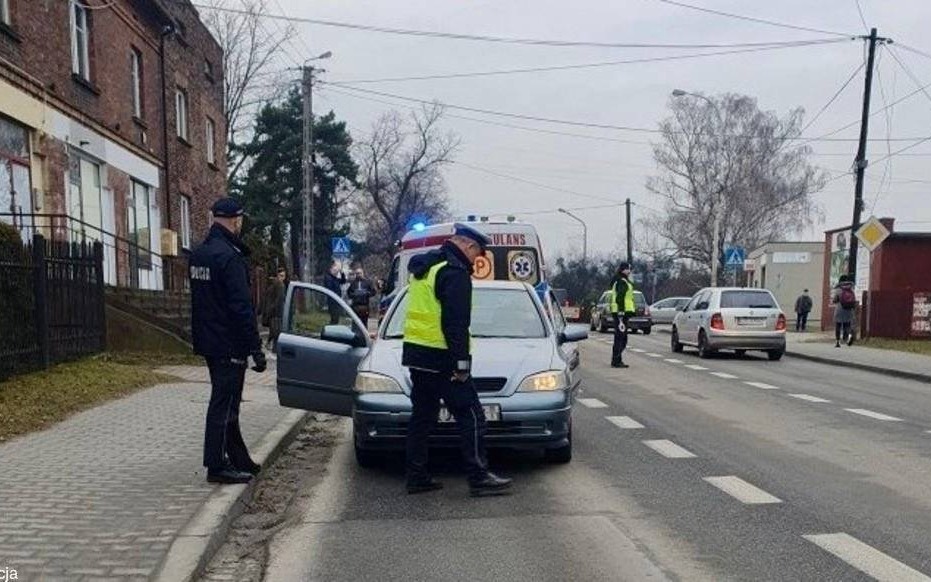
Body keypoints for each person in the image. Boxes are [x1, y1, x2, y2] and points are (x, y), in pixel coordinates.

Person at [402, 224, 512, 497]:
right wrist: (461, 364)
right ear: (468, 245)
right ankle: (478, 477)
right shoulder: (454, 272)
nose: (477, 260)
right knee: (472, 416)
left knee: (422, 418)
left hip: (417, 355)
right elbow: (455, 324)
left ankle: (416, 476)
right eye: (478, 254)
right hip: (442, 359)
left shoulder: (426, 267)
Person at [189, 198, 266, 485]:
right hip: (229, 343)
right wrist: (255, 349)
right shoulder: (229, 257)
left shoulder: (200, 253)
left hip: (209, 339)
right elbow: (241, 307)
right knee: (225, 403)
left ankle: (237, 457)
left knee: (226, 400)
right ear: (237, 220)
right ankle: (217, 465)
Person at [610, 262, 636, 368]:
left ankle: (616, 359)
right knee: (621, 338)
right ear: (624, 270)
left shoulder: (620, 280)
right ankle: (616, 360)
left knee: (620, 337)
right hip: (621, 312)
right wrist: (621, 313)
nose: (630, 271)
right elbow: (620, 297)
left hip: (621, 312)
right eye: (628, 269)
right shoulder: (621, 281)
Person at [262, 267, 287, 350]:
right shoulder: (280, 286)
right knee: (276, 332)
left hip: (273, 313)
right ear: (277, 275)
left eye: (283, 276)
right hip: (277, 313)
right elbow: (278, 300)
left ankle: (270, 345)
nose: (282, 278)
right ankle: (274, 348)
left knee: (274, 331)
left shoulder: (273, 285)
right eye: (281, 276)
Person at [832, 275, 857, 348]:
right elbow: (853, 299)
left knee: (838, 326)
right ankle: (847, 339)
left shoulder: (839, 289)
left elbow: (835, 300)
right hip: (848, 309)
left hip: (840, 309)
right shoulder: (851, 289)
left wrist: (836, 300)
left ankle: (838, 342)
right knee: (847, 325)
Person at [323, 261, 346, 325]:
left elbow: (343, 281)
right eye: (335, 270)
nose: (336, 272)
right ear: (331, 269)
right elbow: (329, 288)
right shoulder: (328, 278)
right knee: (334, 318)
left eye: (337, 271)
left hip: (336, 300)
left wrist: (342, 273)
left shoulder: (335, 279)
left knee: (336, 318)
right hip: (332, 301)